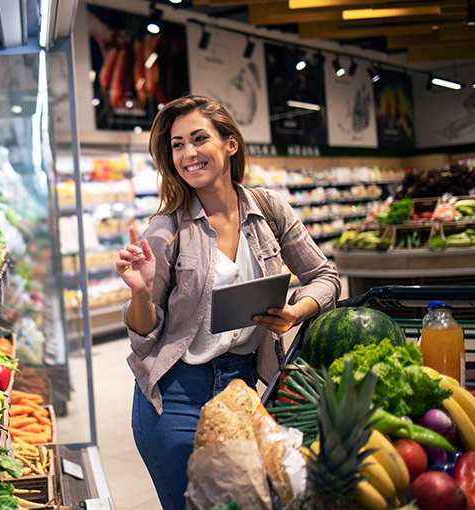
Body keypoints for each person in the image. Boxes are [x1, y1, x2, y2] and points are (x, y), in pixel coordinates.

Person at [116, 94, 341, 510]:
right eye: (178, 144)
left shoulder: (270, 210)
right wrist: (140, 291)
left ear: (230, 144)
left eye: (199, 138)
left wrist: (295, 312)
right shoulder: (167, 229)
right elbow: (144, 336)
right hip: (175, 396)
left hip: (244, 389)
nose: (188, 153)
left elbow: (325, 278)